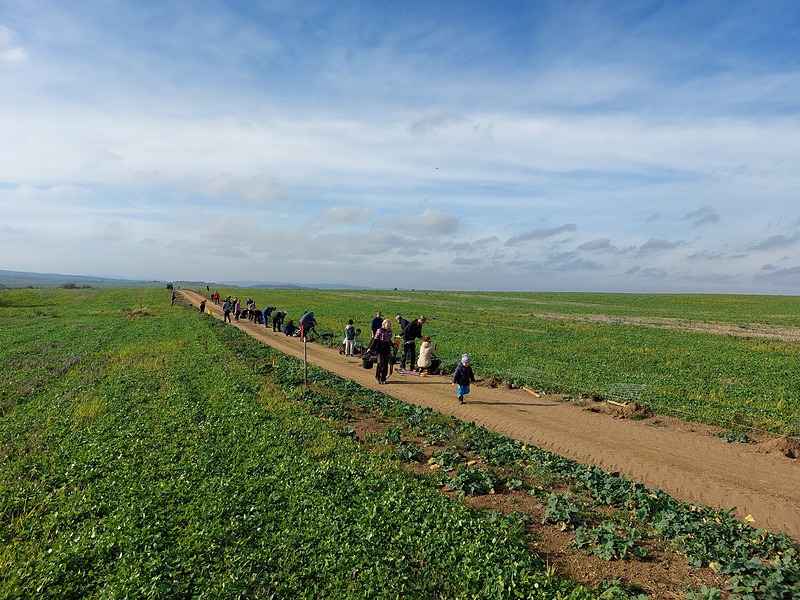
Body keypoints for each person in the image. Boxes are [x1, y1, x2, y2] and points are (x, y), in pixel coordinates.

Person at [368, 318, 393, 384]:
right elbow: (375, 339)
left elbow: (389, 340)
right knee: (380, 363)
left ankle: (383, 378)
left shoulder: (390, 331)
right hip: (380, 348)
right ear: (384, 324)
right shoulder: (379, 330)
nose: (389, 325)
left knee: (385, 364)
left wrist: (393, 345)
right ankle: (377, 376)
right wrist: (371, 348)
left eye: (390, 324)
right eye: (388, 324)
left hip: (387, 348)